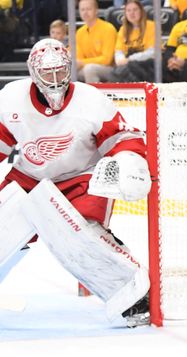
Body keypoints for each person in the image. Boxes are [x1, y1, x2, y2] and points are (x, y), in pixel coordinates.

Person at [0, 39, 151, 327]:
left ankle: (132, 294)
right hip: (27, 178)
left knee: (81, 235)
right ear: (34, 73)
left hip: (80, 177)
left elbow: (123, 139)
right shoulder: (10, 99)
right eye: (48, 73)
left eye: (60, 71)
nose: (55, 80)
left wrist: (130, 162)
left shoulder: (91, 100)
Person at [92, 0, 156, 83]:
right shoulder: (123, 29)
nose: (131, 13)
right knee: (119, 72)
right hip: (126, 66)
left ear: (141, 11)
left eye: (135, 10)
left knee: (121, 72)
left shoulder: (151, 26)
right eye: (128, 10)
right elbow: (118, 52)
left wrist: (129, 59)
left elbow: (152, 52)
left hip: (146, 65)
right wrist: (121, 60)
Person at [75, 0, 118, 82]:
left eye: (88, 9)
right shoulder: (79, 32)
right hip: (87, 67)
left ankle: (94, 95)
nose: (85, 12)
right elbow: (78, 58)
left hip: (110, 69)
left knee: (89, 69)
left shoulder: (108, 28)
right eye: (82, 9)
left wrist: (82, 62)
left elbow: (107, 60)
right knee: (68, 71)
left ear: (96, 11)